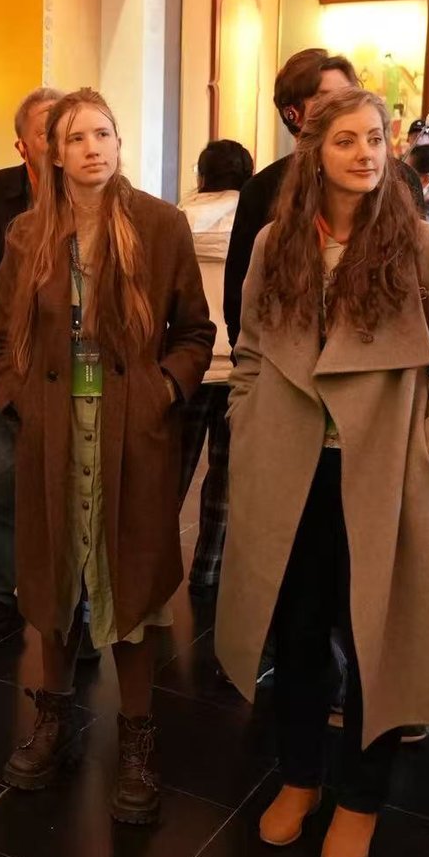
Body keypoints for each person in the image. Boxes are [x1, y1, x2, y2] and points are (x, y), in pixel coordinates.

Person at [217, 87, 429, 857]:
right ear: (314, 152)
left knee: (378, 641)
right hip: (290, 469)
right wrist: (247, 423)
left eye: (374, 139)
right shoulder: (277, 243)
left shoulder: (420, 244)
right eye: (346, 141)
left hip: (388, 473)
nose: (366, 153)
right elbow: (251, 349)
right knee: (297, 634)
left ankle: (361, 797)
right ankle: (300, 777)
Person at [0, 88, 214, 824]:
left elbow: (196, 332)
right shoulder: (28, 233)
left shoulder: (160, 224)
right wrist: (21, 401)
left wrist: (160, 392)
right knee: (55, 578)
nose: (93, 148)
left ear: (119, 143)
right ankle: (52, 719)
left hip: (131, 435)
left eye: (104, 134)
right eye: (77, 137)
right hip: (54, 431)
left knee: (130, 584)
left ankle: (138, 739)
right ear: (52, 152)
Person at [0, 87, 61, 638]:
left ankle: (67, 599)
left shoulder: (97, 194)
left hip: (72, 370)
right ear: (23, 144)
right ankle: (1, 591)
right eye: (47, 129)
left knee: (69, 487)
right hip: (5, 365)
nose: (60, 138)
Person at [224, 49, 358, 351]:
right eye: (325, 98)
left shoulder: (396, 181)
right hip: (288, 359)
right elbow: (240, 301)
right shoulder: (262, 190)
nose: (343, 108)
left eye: (350, 96)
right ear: (292, 113)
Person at [179, 138, 252, 596]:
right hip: (239, 363)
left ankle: (152, 567)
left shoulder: (179, 217)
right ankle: (208, 571)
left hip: (188, 360)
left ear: (202, 175)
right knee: (226, 474)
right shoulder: (255, 219)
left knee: (172, 470)